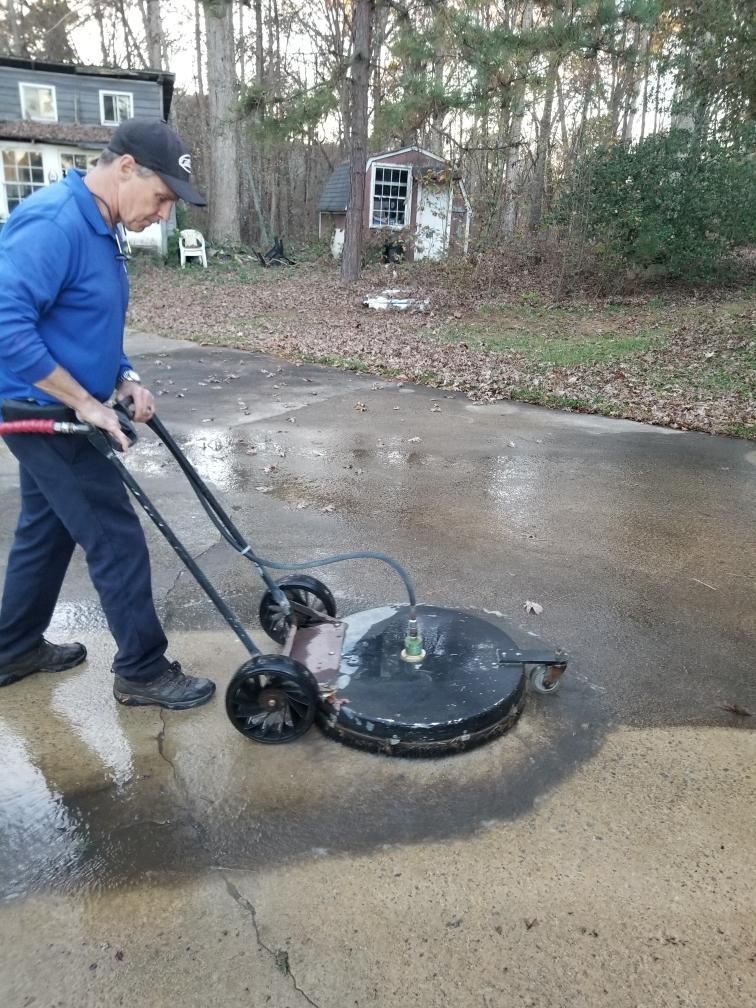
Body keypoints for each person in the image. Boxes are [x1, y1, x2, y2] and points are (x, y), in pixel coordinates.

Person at [0, 118, 215, 710]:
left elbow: (85, 322)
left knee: (46, 531)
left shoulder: (100, 224)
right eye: (164, 198)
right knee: (114, 537)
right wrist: (85, 403)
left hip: (66, 406)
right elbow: (5, 325)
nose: (165, 215)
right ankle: (142, 670)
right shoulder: (53, 223)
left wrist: (124, 378)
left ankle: (13, 647)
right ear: (126, 169)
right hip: (45, 413)